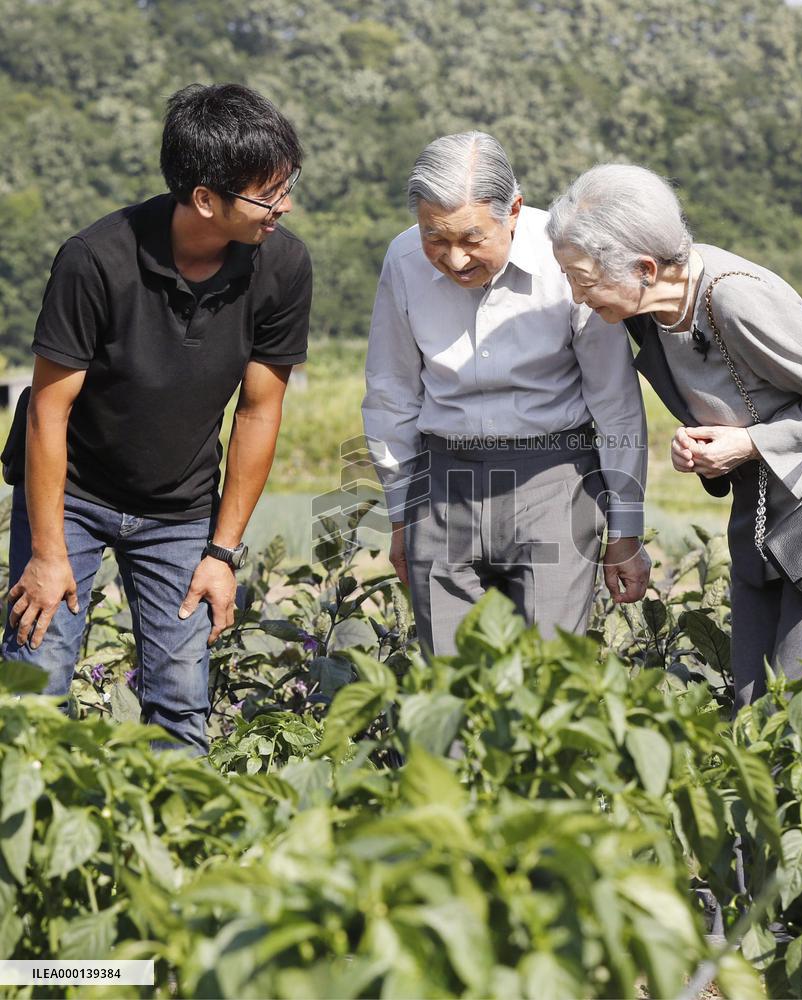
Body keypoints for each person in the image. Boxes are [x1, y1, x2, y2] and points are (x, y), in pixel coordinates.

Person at [2, 84, 312, 754]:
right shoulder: (95, 259)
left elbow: (260, 412)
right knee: (35, 684)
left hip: (180, 508)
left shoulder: (282, 264)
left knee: (180, 701)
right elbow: (47, 412)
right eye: (268, 193)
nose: (284, 206)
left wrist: (222, 552)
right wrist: (48, 554)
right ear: (205, 198)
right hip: (72, 497)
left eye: (289, 184)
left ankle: (174, 852)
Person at [547, 164, 802, 708]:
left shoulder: (736, 297)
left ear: (645, 267)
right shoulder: (648, 313)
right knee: (755, 700)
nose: (575, 295)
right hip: (764, 516)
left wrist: (751, 444)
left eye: (583, 279)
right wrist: (701, 446)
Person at [362, 133, 650, 655]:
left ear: (513, 210)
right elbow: (392, 392)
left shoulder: (569, 257)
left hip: (556, 484)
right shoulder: (403, 260)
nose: (454, 258)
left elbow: (614, 399)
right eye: (435, 238)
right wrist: (402, 514)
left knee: (550, 682)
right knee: (450, 688)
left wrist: (625, 527)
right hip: (443, 489)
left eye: (472, 238)